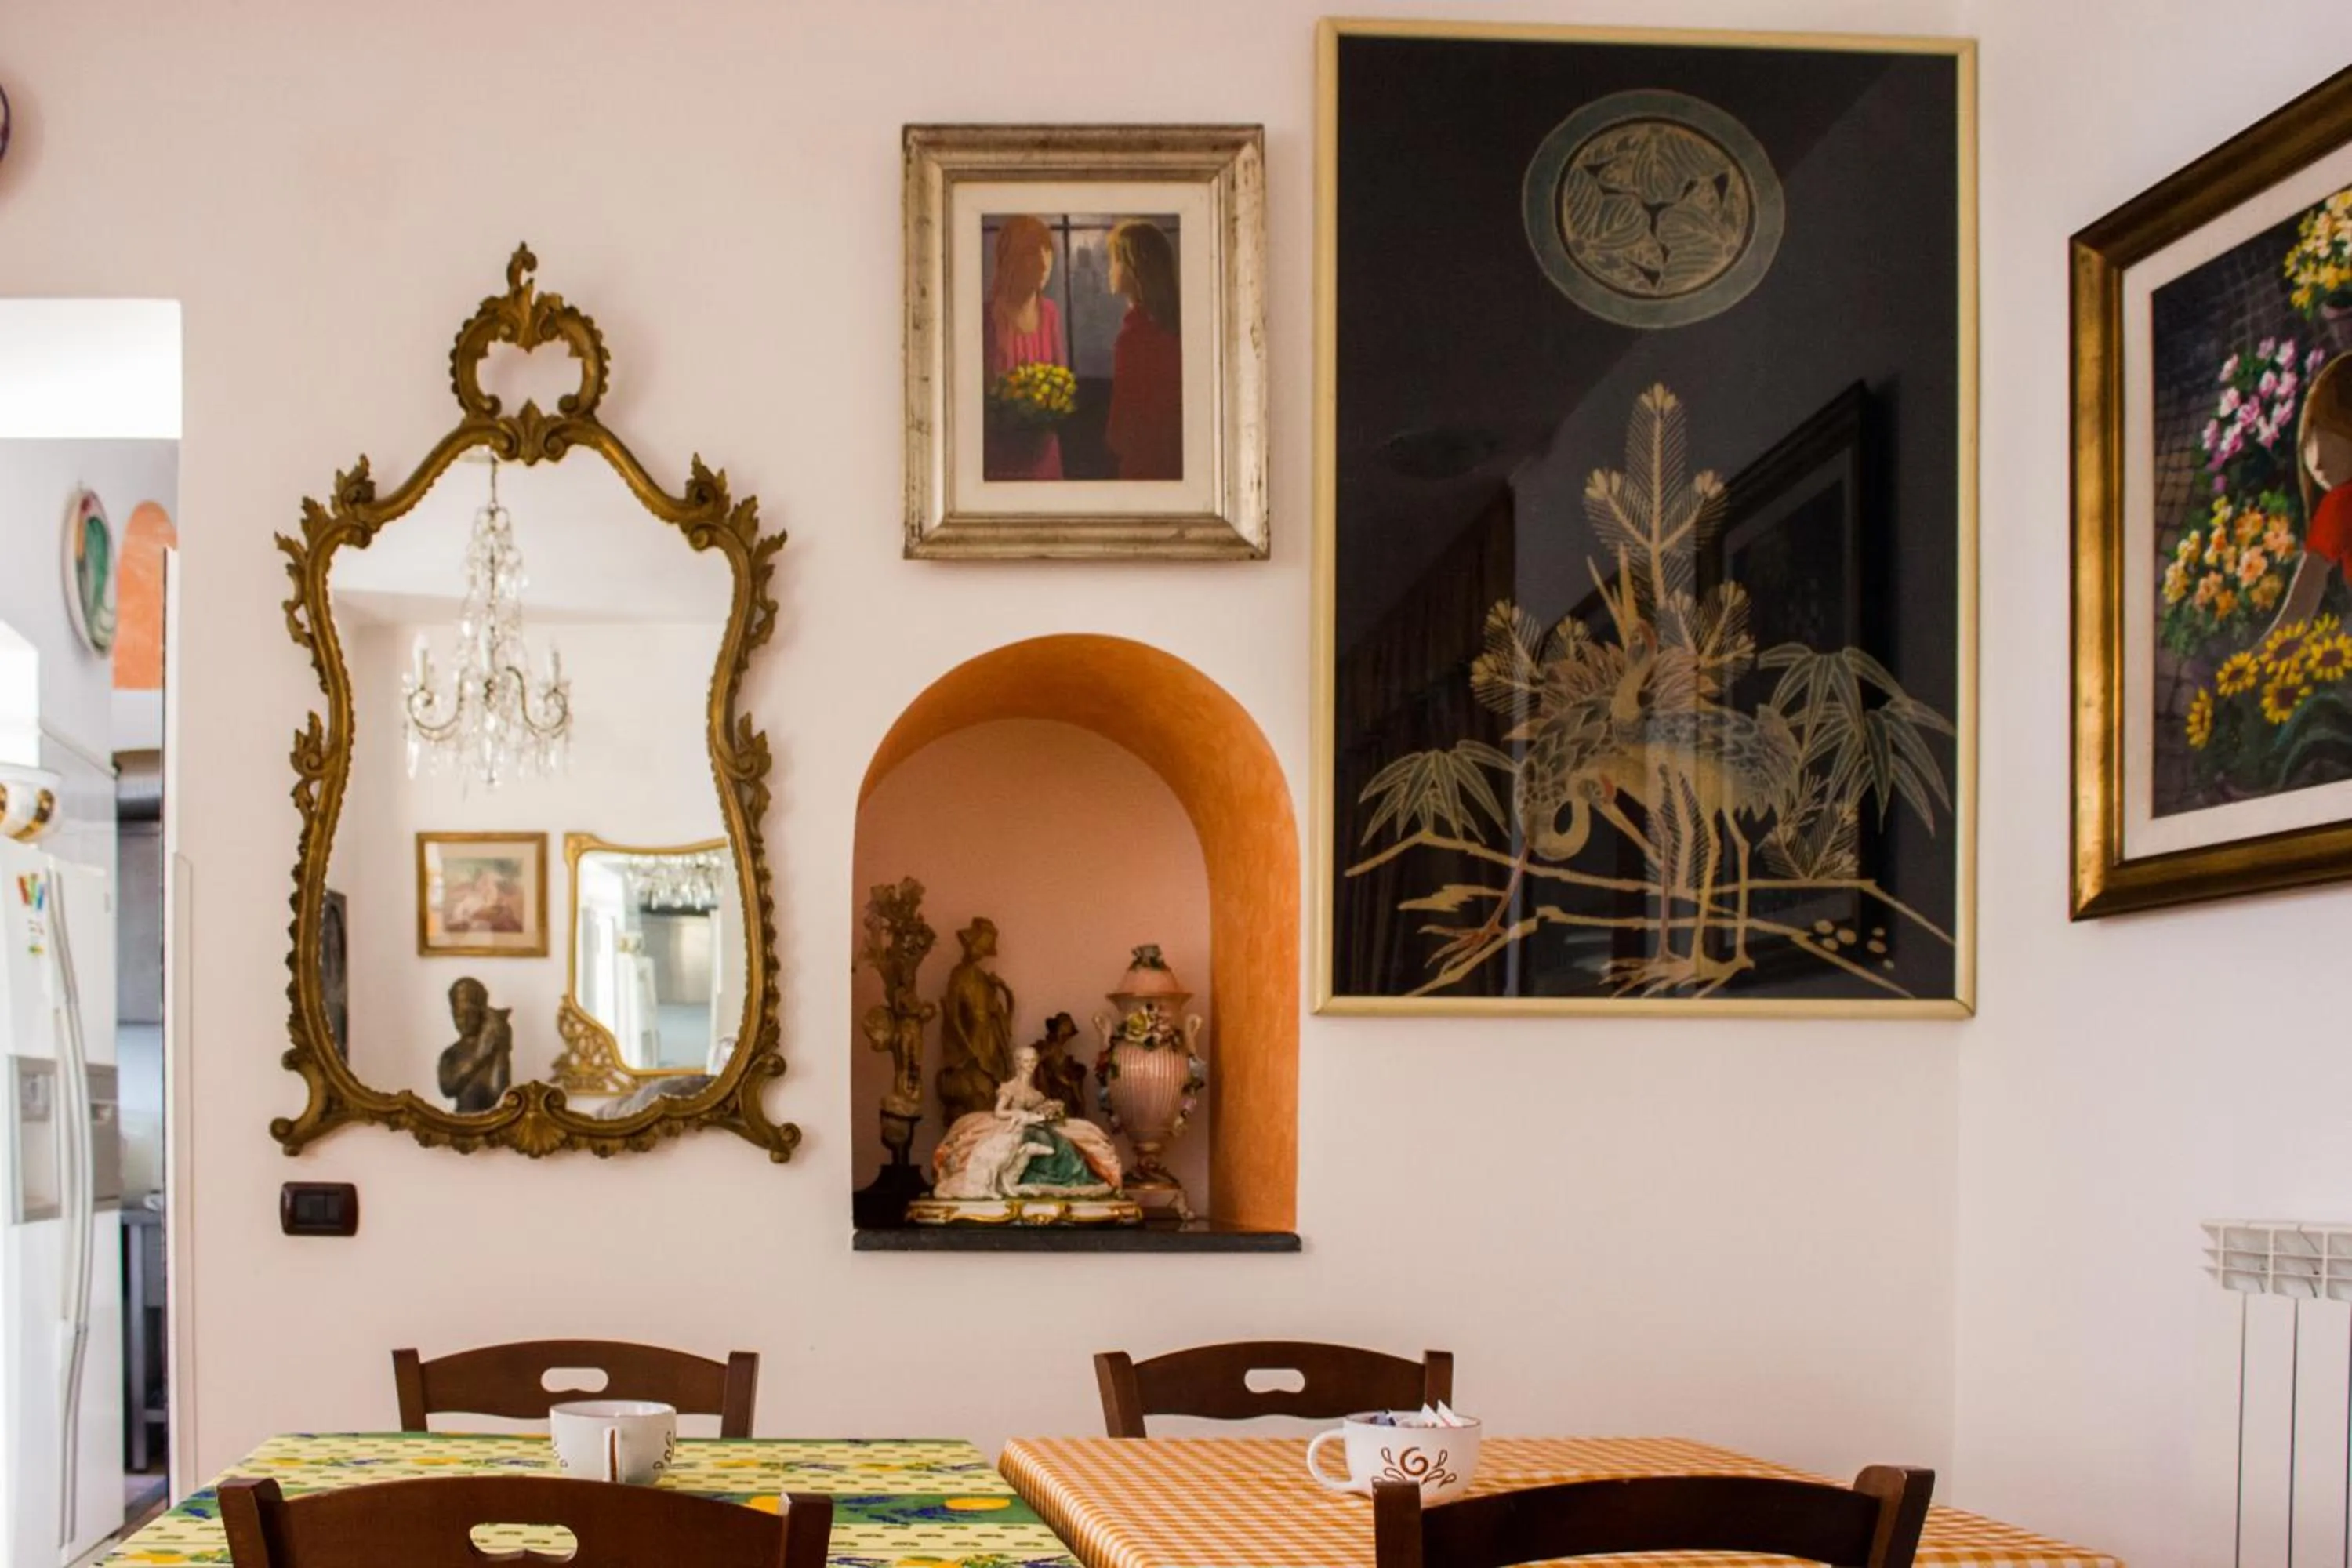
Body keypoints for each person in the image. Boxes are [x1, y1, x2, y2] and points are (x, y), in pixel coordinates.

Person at [930, 1045, 1123, 1201]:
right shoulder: (1010, 1088)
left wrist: (1051, 1109)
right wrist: (1020, 1115)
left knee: (1064, 1139)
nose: (1028, 1065)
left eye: (1032, 1061)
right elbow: (999, 1111)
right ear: (1017, 1063)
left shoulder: (1035, 1093)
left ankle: (1068, 1178)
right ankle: (1033, 1178)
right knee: (1038, 1138)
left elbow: (1039, 1111)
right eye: (1024, 1061)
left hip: (1034, 1123)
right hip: (1016, 1124)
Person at [982, 216, 1067, 481]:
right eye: (1032, 253)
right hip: (1003, 460)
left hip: (1045, 454)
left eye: (1048, 252)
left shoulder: (1050, 313)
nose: (1044, 264)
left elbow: (1062, 383)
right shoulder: (988, 319)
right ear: (1012, 258)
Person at [1102, 219, 1184, 481]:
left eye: (1115, 260)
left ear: (1133, 269)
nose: (1110, 270)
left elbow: (1119, 434)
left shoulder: (1134, 337)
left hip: (1144, 469)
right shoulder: (1176, 328)